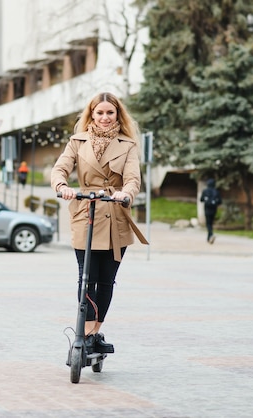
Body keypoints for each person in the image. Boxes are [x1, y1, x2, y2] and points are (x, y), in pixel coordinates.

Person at [51, 92, 148, 355]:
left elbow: (132, 179)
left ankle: (94, 334)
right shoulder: (76, 142)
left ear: (117, 115)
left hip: (116, 216)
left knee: (105, 281)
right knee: (86, 279)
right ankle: (85, 332)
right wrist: (62, 186)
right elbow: (60, 168)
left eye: (110, 113)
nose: (105, 118)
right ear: (91, 115)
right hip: (86, 213)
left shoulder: (127, 145)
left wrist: (126, 193)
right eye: (100, 113)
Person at [200, 178, 222, 244]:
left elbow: (201, 199)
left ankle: (211, 235)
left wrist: (206, 200)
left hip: (207, 209)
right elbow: (220, 201)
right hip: (214, 209)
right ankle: (209, 237)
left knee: (208, 223)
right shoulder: (216, 191)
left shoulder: (205, 191)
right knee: (211, 223)